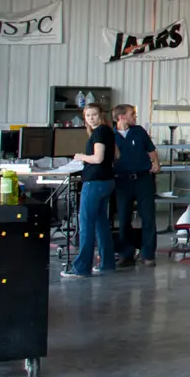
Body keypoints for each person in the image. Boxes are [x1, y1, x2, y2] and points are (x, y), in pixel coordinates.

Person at [63, 103, 119, 278]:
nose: (91, 118)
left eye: (94, 115)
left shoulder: (99, 132)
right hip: (106, 181)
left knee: (86, 224)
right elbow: (117, 155)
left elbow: (98, 158)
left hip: (94, 182)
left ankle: (81, 267)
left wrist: (81, 157)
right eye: (88, 116)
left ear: (101, 115)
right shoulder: (108, 131)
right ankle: (106, 263)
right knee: (101, 222)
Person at [111, 104, 161, 268]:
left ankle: (148, 254)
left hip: (142, 179)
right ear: (122, 117)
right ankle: (126, 254)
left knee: (148, 217)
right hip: (122, 181)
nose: (135, 117)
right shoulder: (111, 135)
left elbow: (151, 150)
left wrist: (156, 163)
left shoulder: (139, 131)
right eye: (132, 114)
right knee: (124, 218)